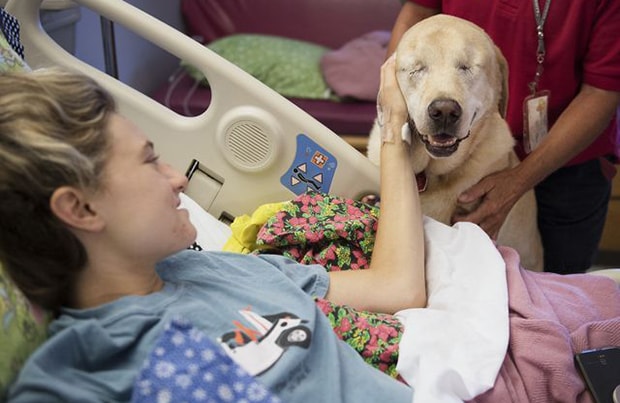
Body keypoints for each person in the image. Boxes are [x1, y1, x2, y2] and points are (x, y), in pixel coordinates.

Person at [0, 64, 421, 402]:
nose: (177, 179)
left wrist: (394, 131)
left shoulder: (218, 270)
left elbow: (395, 288)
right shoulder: (86, 373)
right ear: (82, 208)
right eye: (149, 161)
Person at [385, 0, 620, 274]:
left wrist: (517, 180)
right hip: (460, 148)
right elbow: (415, 16)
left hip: (569, 161)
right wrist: (394, 107)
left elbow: (601, 92)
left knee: (552, 292)